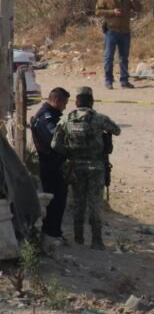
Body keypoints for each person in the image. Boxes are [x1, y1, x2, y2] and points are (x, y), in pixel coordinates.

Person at [51, 87, 121, 249]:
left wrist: (69, 153)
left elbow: (55, 144)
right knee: (95, 204)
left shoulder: (67, 120)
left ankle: (78, 238)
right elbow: (117, 130)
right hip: (96, 167)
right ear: (92, 102)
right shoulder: (99, 119)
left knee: (78, 203)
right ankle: (96, 241)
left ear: (76, 102)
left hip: (76, 167)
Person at [30, 87, 70, 242]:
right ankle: (51, 232)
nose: (64, 107)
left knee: (58, 199)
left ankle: (54, 231)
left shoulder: (51, 115)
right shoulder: (46, 118)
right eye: (64, 103)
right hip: (51, 165)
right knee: (55, 200)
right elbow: (55, 142)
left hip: (53, 164)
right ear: (57, 101)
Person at [95, 0, 142, 90]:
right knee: (108, 57)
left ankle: (124, 81)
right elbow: (97, 11)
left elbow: (139, 9)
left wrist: (133, 0)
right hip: (111, 31)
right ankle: (108, 81)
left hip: (125, 31)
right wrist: (112, 12)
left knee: (124, 57)